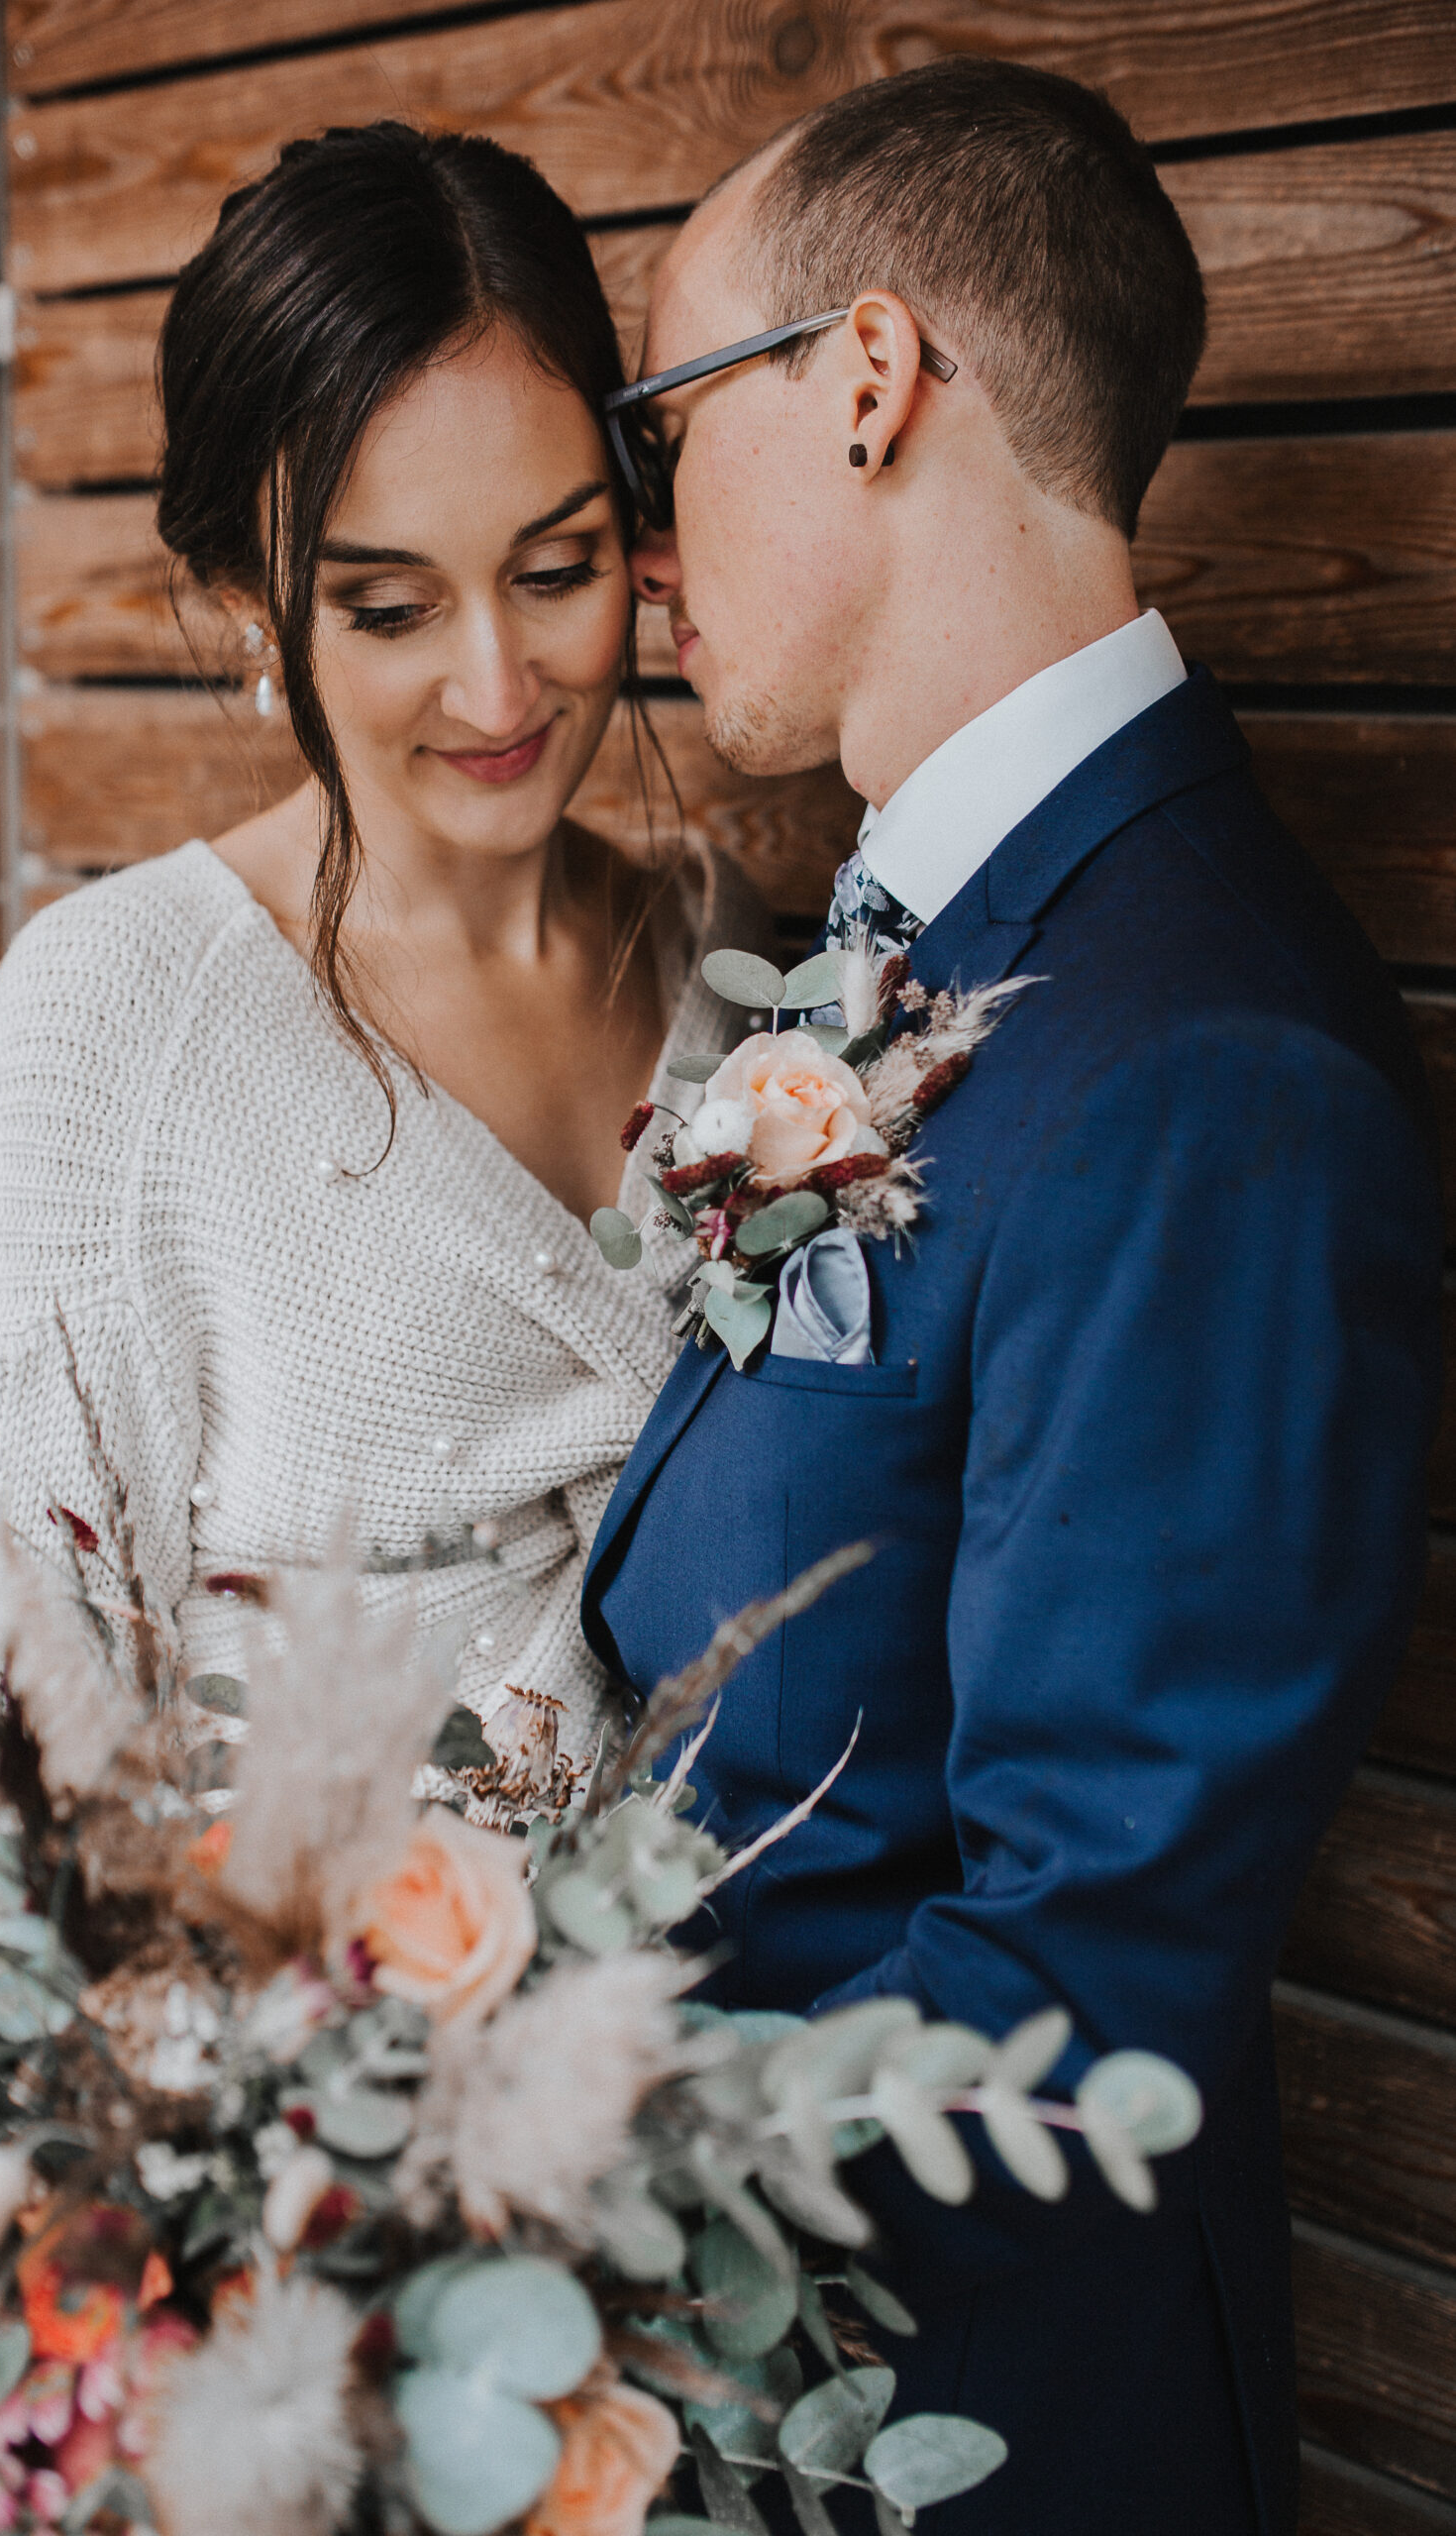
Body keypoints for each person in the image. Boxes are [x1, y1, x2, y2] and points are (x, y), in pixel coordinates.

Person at [581, 59, 1442, 2535]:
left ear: (863, 380)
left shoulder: (1208, 1057)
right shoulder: (908, 947)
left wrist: (512, 2173)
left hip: (973, 2435)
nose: (650, 545)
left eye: (666, 419)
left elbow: (1082, 1963)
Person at [0, 122, 762, 1753]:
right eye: (390, 609)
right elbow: (39, 1744)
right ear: (254, 602)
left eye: (557, 568)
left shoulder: (734, 960)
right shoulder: (112, 1025)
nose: (503, 691)